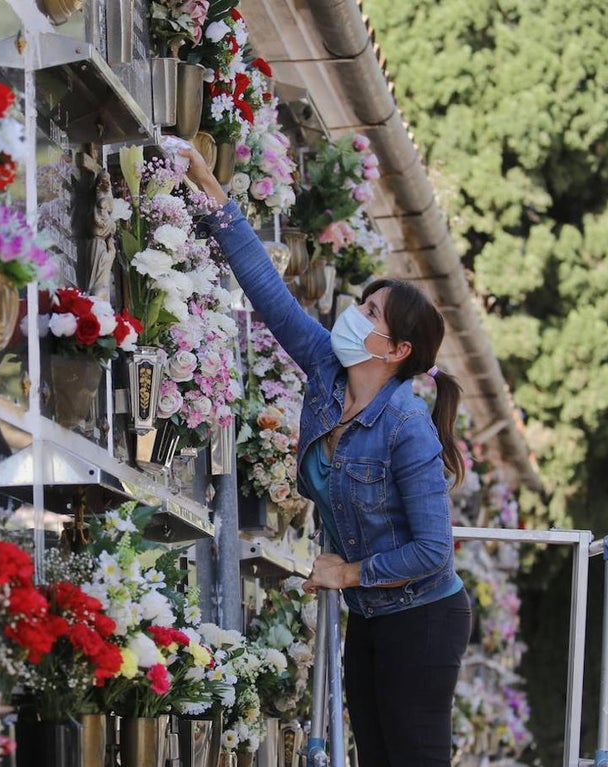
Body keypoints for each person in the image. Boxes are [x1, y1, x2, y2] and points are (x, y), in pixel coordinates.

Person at [181, 144, 472, 766]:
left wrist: (347, 572)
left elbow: (433, 550)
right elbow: (270, 292)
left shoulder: (406, 426)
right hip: (370, 615)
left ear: (394, 351)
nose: (350, 313)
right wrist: (211, 193)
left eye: (369, 313)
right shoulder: (326, 371)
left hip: (424, 616)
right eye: (362, 303)